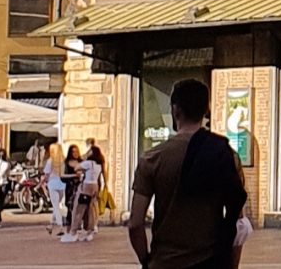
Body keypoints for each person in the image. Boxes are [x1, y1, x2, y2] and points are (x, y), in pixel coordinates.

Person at [126, 78, 247, 269]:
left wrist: (146, 260)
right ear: (206, 110)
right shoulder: (225, 154)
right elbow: (238, 222)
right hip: (209, 261)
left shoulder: (152, 158)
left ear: (176, 110)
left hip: (165, 263)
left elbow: (135, 224)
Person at [70, 142, 101, 245]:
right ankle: (90, 231)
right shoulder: (98, 165)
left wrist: (83, 161)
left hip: (87, 186)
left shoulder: (88, 163)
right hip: (95, 186)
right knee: (91, 210)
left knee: (80, 208)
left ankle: (74, 231)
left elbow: (76, 168)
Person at [41, 142, 67, 237]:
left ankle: (61, 227)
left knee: (56, 207)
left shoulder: (50, 161)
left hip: (52, 184)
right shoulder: (64, 160)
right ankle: (51, 225)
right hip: (62, 184)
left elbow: (46, 174)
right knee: (56, 206)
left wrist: (41, 183)